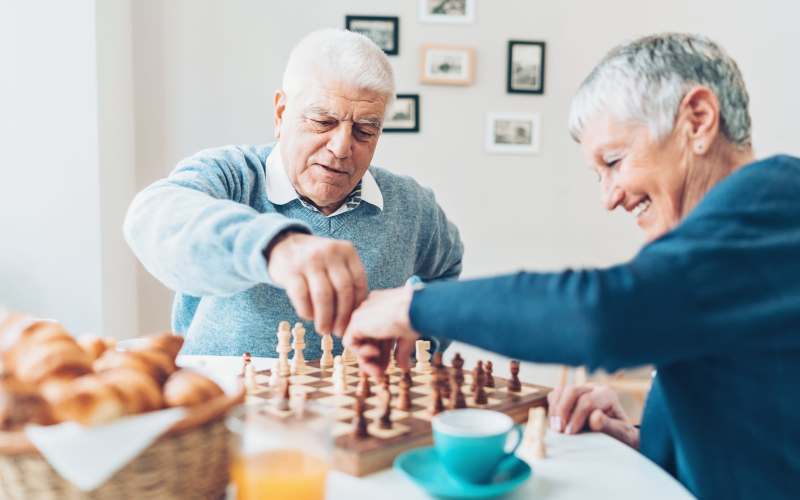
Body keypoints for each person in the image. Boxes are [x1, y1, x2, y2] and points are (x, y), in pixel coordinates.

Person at [344, 33, 800, 499]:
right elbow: (759, 428)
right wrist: (643, 439)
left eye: (615, 161)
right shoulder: (741, 229)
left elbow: (602, 312)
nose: (610, 197)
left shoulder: (774, 209)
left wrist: (412, 307)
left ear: (697, 120)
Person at [124, 29, 463, 358]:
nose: (342, 147)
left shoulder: (413, 206)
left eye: (364, 130)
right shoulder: (231, 175)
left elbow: (446, 273)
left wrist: (421, 335)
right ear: (281, 113)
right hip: (233, 405)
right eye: (322, 121)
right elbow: (152, 216)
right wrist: (275, 246)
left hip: (358, 410)